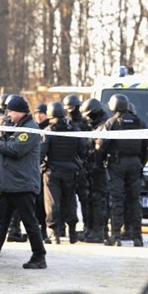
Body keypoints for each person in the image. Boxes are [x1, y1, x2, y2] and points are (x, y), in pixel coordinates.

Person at [0, 95, 47, 269]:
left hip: (23, 185)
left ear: (19, 112)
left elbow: (16, 150)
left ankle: (39, 256)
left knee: (29, 222)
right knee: (1, 221)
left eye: (11, 111)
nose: (8, 114)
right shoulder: (15, 127)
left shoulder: (30, 129)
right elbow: (7, 143)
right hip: (10, 185)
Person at [95, 94, 148, 247]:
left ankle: (116, 236)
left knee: (117, 200)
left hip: (117, 165)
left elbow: (100, 145)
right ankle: (137, 237)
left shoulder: (111, 123)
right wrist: (140, 163)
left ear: (113, 106)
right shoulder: (140, 122)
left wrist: (100, 163)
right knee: (134, 201)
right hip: (134, 164)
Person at [40, 102, 87, 244]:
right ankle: (72, 232)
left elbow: (41, 152)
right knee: (70, 201)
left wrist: (42, 167)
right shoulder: (74, 129)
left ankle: (55, 233)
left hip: (52, 171)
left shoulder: (48, 131)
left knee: (52, 202)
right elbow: (83, 149)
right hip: (71, 171)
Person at [0, 94, 26, 242]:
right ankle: (13, 230)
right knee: (10, 199)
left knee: (1, 198)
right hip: (7, 163)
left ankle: (3, 230)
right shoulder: (6, 123)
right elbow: (10, 145)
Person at [79, 98, 111, 243]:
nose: (87, 118)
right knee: (92, 200)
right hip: (93, 168)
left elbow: (100, 149)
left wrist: (96, 164)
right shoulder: (95, 125)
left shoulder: (105, 126)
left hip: (100, 169)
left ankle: (99, 232)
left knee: (99, 201)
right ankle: (93, 230)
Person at [63, 94, 90, 239]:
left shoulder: (84, 124)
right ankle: (66, 229)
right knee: (67, 199)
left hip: (81, 167)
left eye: (72, 108)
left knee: (84, 199)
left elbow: (87, 146)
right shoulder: (65, 124)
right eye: (68, 109)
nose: (70, 111)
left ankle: (86, 227)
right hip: (70, 166)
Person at [32, 102, 50, 242]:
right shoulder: (34, 127)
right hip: (36, 170)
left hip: (46, 170)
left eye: (41, 113)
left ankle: (45, 230)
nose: (38, 116)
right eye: (36, 113)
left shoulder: (50, 128)